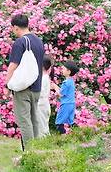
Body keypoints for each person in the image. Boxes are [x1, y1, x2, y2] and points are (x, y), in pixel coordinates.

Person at [6, 14, 45, 149]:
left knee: (24, 121)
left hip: (23, 88)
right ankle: (37, 150)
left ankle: (29, 153)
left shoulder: (20, 42)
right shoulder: (38, 41)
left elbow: (13, 65)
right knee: (34, 119)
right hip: (37, 87)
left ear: (16, 27)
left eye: (13, 28)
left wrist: (7, 84)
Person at [53, 61, 78, 134]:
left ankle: (62, 137)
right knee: (71, 122)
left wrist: (55, 87)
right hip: (72, 104)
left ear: (69, 71)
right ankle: (80, 134)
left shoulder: (66, 83)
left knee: (59, 122)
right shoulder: (71, 81)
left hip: (66, 104)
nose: (62, 70)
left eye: (63, 69)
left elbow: (61, 94)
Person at [37, 55, 53, 137]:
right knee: (43, 124)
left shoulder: (44, 78)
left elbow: (41, 93)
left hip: (41, 105)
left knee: (42, 125)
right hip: (44, 104)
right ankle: (45, 139)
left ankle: (45, 140)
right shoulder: (45, 77)